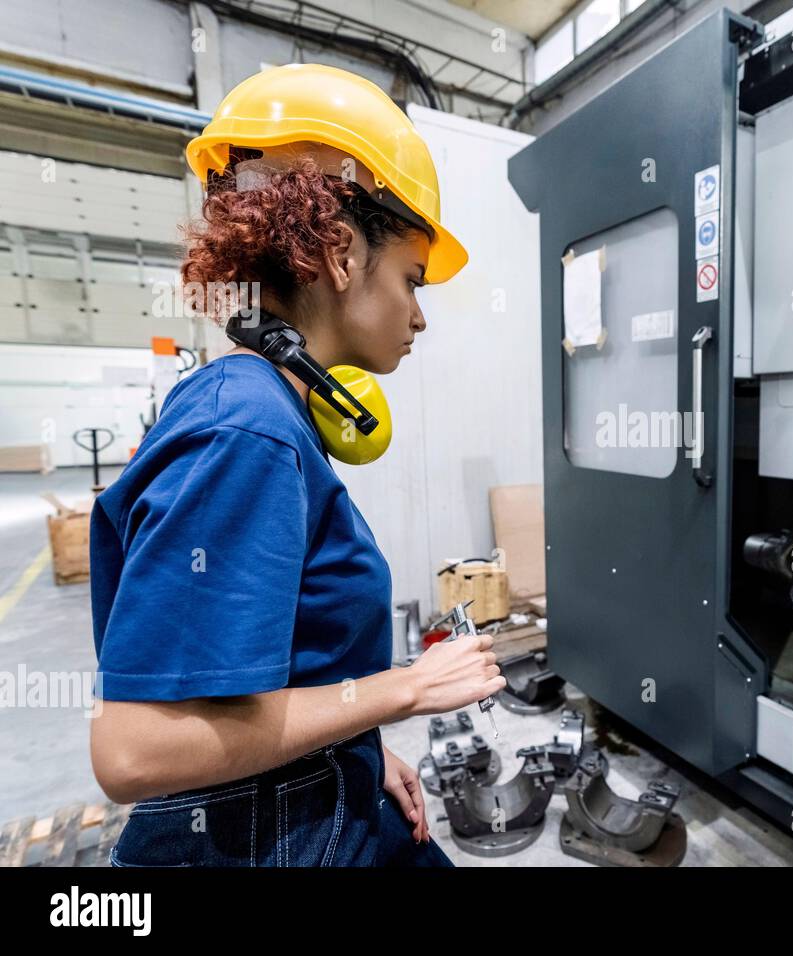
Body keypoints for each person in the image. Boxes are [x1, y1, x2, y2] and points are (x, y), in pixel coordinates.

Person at [88, 63, 504, 866]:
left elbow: (265, 673)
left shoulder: (263, 409)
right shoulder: (247, 429)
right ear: (343, 253)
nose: (419, 315)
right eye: (412, 280)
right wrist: (408, 686)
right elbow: (135, 751)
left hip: (316, 796)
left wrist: (356, 745)